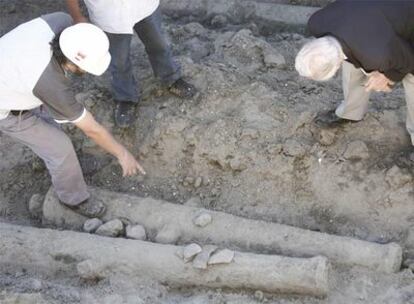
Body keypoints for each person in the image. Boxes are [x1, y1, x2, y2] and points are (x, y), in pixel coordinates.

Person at [0, 12, 146, 218]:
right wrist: (123, 154)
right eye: (84, 68)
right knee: (60, 147)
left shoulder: (62, 22)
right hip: (7, 109)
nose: (85, 72)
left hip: (14, 75)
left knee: (53, 126)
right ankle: (73, 198)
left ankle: (67, 167)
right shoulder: (51, 85)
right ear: (68, 62)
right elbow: (92, 129)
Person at [295, 0, 414, 145]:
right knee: (352, 64)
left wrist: (388, 76)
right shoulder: (316, 22)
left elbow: (409, 60)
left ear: (336, 65)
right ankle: (351, 112)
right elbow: (352, 48)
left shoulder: (376, 55)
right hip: (374, 16)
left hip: (407, 17)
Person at [65, 0, 197, 128]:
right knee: (119, 60)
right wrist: (77, 16)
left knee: (158, 44)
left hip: (145, 7)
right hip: (110, 15)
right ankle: (125, 97)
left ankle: (171, 78)